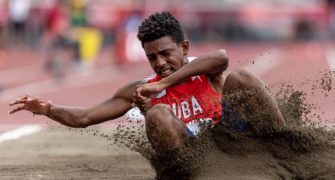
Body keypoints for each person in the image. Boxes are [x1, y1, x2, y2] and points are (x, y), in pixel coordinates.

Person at [9, 11, 285, 158]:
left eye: (166, 53)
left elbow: (222, 58)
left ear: (184, 47)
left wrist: (162, 83)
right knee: (157, 113)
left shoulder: (205, 67)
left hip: (232, 139)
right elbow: (86, 117)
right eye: (152, 57)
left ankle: (287, 145)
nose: (160, 62)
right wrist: (48, 109)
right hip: (197, 155)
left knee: (243, 78)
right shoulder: (142, 89)